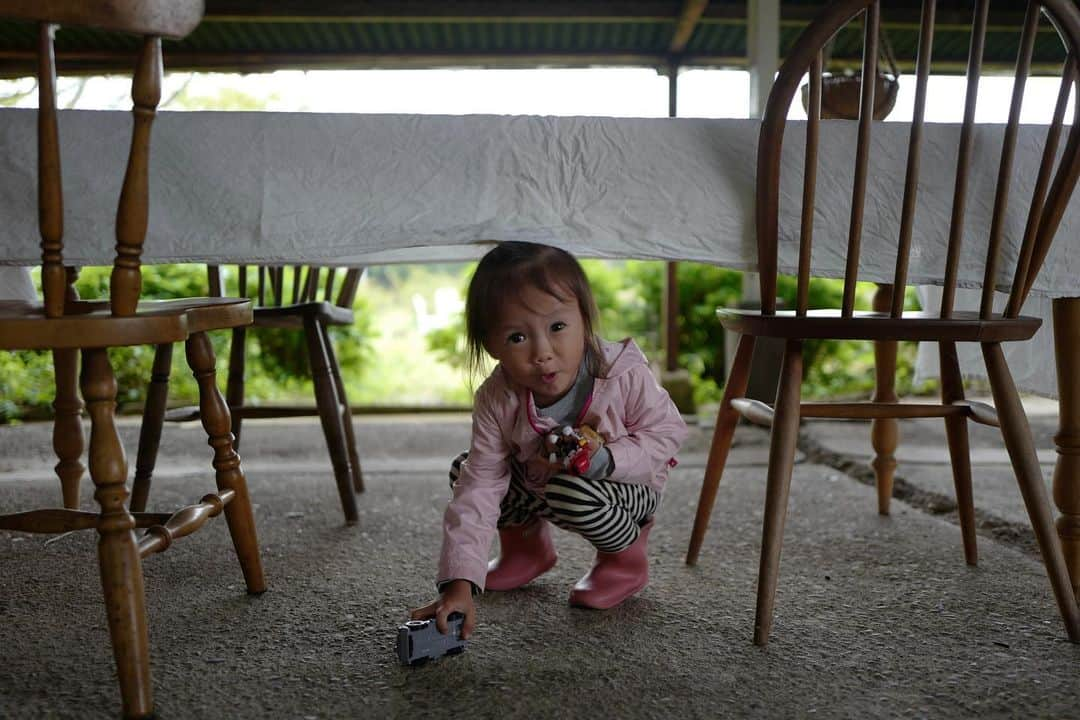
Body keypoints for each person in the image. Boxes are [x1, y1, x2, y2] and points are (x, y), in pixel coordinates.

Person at [410, 241, 688, 639]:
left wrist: (607, 459)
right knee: (466, 468)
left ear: (585, 320)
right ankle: (526, 550)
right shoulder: (498, 397)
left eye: (557, 327)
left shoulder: (620, 373)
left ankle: (624, 561)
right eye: (518, 338)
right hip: (545, 484)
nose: (542, 353)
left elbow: (668, 433)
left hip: (626, 490)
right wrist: (458, 582)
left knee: (570, 490)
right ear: (491, 344)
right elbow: (481, 484)